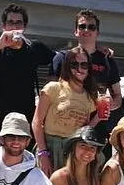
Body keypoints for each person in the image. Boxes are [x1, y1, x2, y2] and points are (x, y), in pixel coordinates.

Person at [51, 9, 122, 157]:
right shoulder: (62, 58)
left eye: (91, 27)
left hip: (97, 131)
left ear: (97, 33)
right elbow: (50, 94)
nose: (86, 30)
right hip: (64, 129)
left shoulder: (107, 60)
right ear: (75, 31)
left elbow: (118, 98)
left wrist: (108, 105)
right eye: (82, 26)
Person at [0, 4, 54, 139]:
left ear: (24, 26)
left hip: (26, 120)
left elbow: (60, 61)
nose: (14, 27)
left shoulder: (34, 48)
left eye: (18, 23)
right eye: (10, 22)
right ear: (3, 26)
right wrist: (0, 43)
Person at [32, 46, 102, 176]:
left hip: (73, 150)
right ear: (67, 67)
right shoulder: (53, 88)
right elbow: (37, 122)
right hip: (50, 147)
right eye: (74, 64)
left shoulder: (90, 96)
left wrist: (98, 117)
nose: (79, 69)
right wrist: (43, 153)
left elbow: (83, 130)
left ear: (89, 68)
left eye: (84, 65)